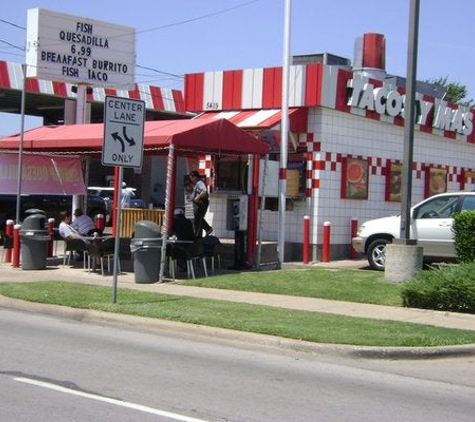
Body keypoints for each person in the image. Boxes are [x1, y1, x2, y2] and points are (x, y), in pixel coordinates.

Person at [189, 170, 213, 237]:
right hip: (198, 203)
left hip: (201, 203)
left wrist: (197, 198)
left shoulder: (200, 182)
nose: (191, 180)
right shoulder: (197, 184)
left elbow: (205, 192)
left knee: (197, 218)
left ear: (195, 177)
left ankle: (207, 229)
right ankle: (206, 230)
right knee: (196, 218)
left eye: (192, 178)